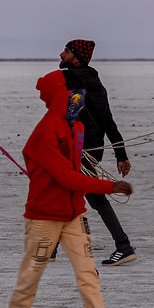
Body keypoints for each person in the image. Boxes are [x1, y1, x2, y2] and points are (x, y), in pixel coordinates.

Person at [3, 69, 133, 308]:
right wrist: (111, 186)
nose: (80, 98)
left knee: (89, 273)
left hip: (75, 215)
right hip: (44, 217)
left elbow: (74, 172)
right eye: (75, 92)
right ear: (61, 95)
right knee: (32, 272)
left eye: (82, 93)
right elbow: (66, 176)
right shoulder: (46, 132)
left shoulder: (77, 128)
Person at [58, 39, 138, 266]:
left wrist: (121, 154)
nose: (61, 54)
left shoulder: (71, 79)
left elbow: (68, 114)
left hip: (80, 150)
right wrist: (120, 154)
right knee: (67, 192)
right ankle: (51, 249)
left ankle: (124, 246)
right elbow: (108, 121)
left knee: (91, 195)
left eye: (66, 51)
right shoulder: (95, 81)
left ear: (76, 57)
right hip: (93, 149)